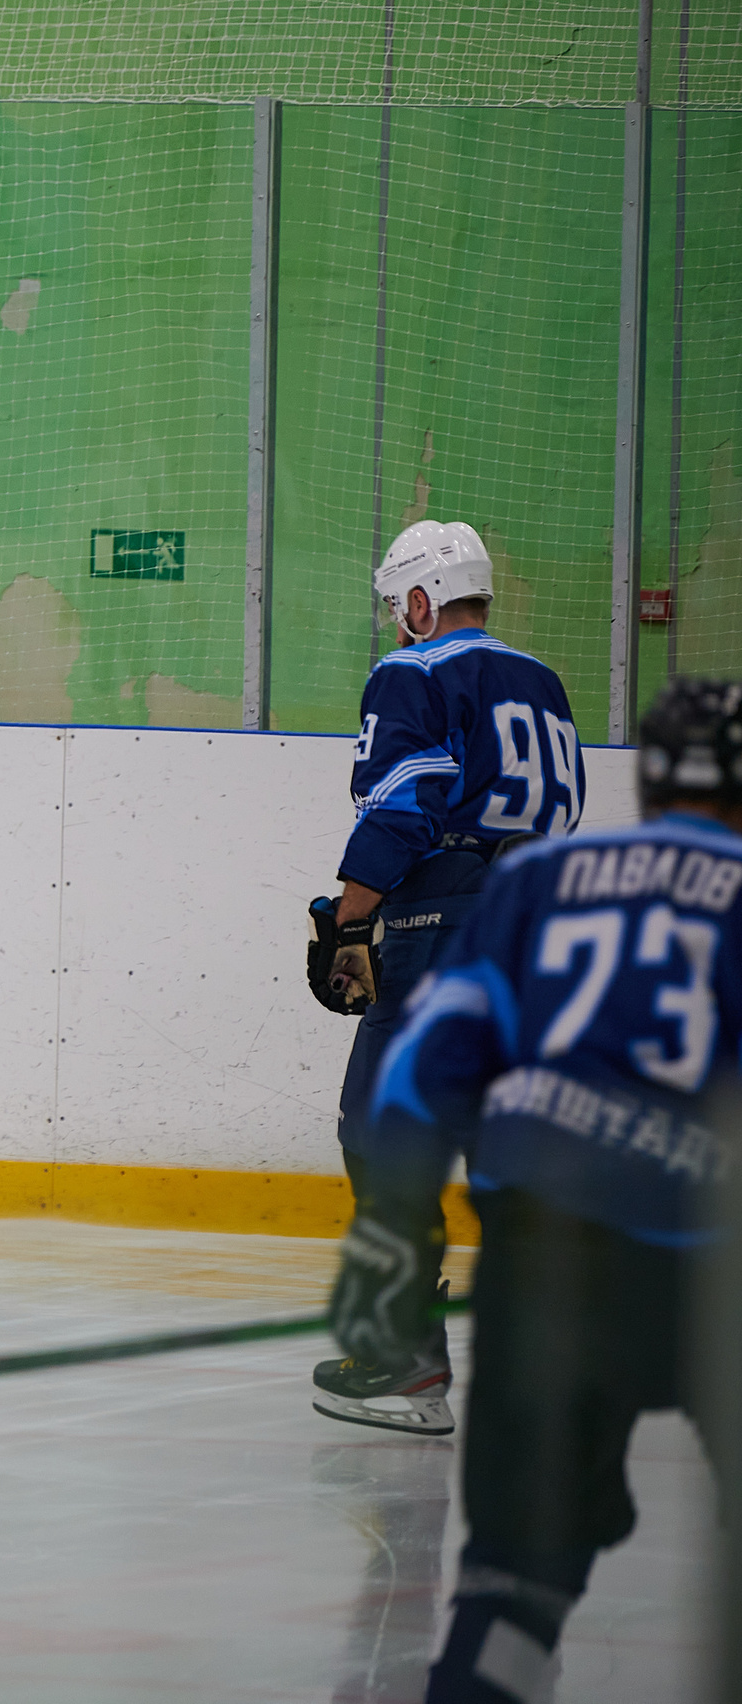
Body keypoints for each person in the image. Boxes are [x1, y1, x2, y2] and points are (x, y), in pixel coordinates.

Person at [333, 675, 734, 1702]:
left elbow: (418, 1081)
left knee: (513, 1589)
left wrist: (389, 1247)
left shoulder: (538, 885)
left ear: (645, 782)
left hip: (547, 1274)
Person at [304, 519, 583, 1433]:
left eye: (399, 606)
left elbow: (403, 808)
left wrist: (348, 919)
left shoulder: (412, 674)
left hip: (442, 918)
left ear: (422, 600)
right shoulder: (540, 680)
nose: (397, 624)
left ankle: (404, 1359)